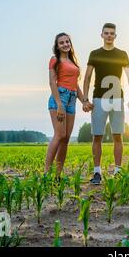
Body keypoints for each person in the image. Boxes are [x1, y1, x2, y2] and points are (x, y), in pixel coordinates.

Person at [83, 23, 129, 185]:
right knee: (97, 136)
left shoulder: (122, 54)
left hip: (117, 99)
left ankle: (118, 170)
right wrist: (85, 99)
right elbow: (87, 77)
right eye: (106, 33)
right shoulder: (95, 54)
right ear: (102, 35)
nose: (109, 36)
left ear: (115, 36)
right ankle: (97, 172)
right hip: (98, 99)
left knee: (117, 136)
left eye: (112, 33)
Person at [45, 33, 93, 178]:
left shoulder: (72, 62)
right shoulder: (55, 60)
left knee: (66, 138)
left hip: (72, 99)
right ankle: (46, 174)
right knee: (59, 135)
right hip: (59, 97)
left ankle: (58, 175)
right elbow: (52, 82)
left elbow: (75, 85)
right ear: (57, 46)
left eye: (67, 41)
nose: (65, 44)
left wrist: (84, 100)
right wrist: (59, 104)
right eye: (62, 43)